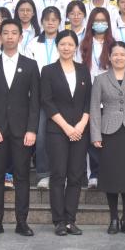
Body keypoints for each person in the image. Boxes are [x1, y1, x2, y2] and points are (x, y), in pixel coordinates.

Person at [0, 18, 42, 236]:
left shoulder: (30, 65)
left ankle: (21, 222)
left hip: (22, 131)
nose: (9, 36)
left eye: (14, 33)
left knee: (22, 176)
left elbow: (35, 101)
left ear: (20, 37)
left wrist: (32, 129)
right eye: (5, 33)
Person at [90, 40, 125, 235]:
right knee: (112, 177)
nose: (119, 57)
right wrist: (95, 134)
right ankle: (114, 218)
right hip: (109, 133)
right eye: (115, 54)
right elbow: (94, 109)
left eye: (122, 54)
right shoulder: (100, 79)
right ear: (109, 57)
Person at [41, 31, 92, 236]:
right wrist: (67, 127)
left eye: (70, 44)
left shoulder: (83, 70)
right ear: (57, 46)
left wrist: (81, 124)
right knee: (58, 174)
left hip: (80, 130)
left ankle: (71, 219)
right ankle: (59, 221)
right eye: (62, 44)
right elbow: (47, 101)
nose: (66, 48)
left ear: (76, 47)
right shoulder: (48, 71)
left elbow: (88, 100)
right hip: (57, 130)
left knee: (75, 175)